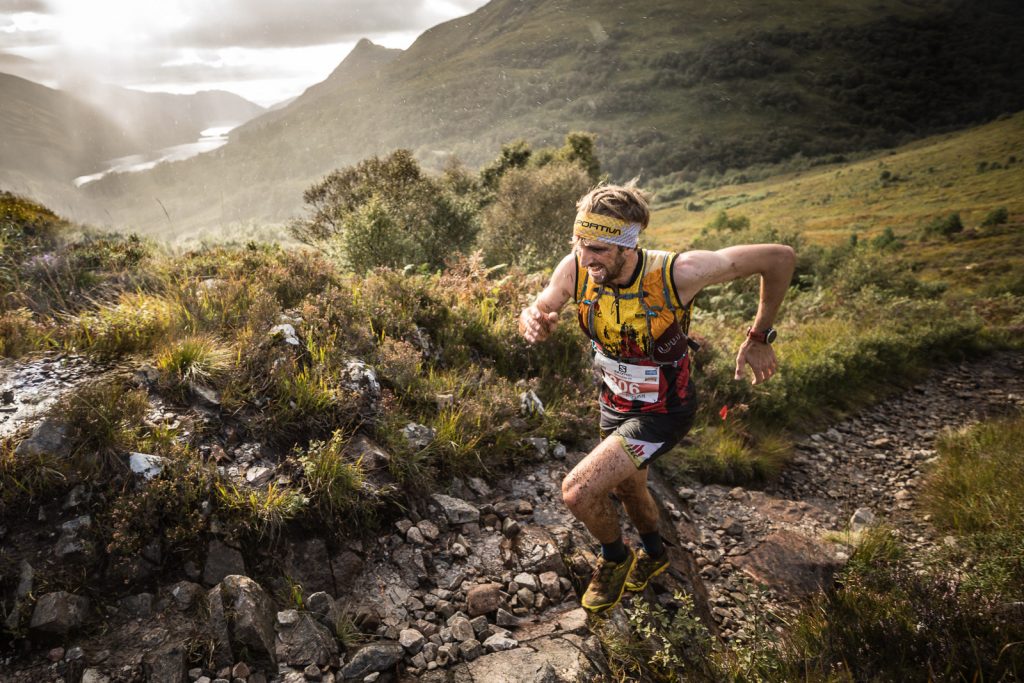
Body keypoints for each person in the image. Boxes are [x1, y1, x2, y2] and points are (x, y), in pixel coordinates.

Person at [518, 184, 795, 614]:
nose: (586, 257)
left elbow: (779, 258)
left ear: (628, 246)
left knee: (577, 492)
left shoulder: (678, 273)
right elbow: (542, 306)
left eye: (598, 249)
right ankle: (655, 552)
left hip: (664, 411)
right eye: (579, 244)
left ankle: (615, 558)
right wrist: (535, 320)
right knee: (629, 490)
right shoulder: (576, 268)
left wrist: (760, 337)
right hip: (614, 402)